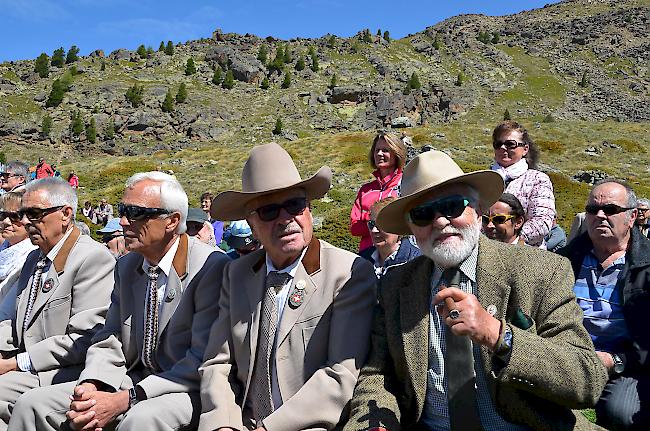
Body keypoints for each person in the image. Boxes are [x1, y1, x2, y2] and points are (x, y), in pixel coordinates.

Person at [345, 150, 607, 431]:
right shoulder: (396, 286)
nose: (440, 221)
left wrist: (498, 335)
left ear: (479, 209)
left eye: (453, 206)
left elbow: (586, 378)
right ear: (410, 227)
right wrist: (375, 425)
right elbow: (378, 375)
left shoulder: (542, 270)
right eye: (422, 214)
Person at [9, 171, 229, 431]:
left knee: (140, 420)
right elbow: (109, 336)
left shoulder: (209, 267)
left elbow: (201, 360)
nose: (123, 221)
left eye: (135, 213)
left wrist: (127, 398)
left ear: (172, 221)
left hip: (183, 386)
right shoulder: (128, 266)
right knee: (34, 405)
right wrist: (93, 383)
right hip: (132, 379)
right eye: (123, 209)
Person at [199, 143, 376, 431]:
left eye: (295, 204)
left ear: (308, 209)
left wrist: (269, 428)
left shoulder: (347, 274)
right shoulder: (237, 274)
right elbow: (218, 363)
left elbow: (340, 374)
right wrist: (223, 423)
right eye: (269, 211)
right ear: (252, 225)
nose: (285, 218)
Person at [0, 178, 115, 428]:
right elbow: (16, 319)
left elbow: (85, 338)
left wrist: (16, 363)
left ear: (65, 214)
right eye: (22, 214)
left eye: (34, 213)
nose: (26, 221)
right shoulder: (34, 258)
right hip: (30, 366)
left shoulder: (92, 258)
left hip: (63, 370)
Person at [559, 179, 650, 430]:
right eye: (592, 210)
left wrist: (616, 360)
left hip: (627, 365)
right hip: (568, 356)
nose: (599, 215)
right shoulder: (564, 261)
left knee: (621, 413)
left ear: (631, 218)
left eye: (610, 210)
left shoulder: (646, 265)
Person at [490, 120, 556, 247]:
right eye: (498, 144)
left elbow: (543, 221)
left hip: (527, 254)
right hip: (485, 252)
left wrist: (512, 239)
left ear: (525, 149)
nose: (503, 148)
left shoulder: (538, 179)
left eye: (510, 144)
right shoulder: (485, 179)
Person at [350, 132, 406, 259]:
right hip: (368, 255)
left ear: (396, 153)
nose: (379, 154)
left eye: (385, 150)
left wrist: (368, 219)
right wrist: (375, 217)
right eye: (377, 150)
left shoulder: (406, 184)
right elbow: (354, 228)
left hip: (400, 255)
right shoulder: (365, 190)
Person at [367, 197, 421, 278]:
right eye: (371, 224)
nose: (374, 230)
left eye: (381, 225)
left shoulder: (417, 261)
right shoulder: (362, 259)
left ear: (399, 227)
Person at [0, 192, 37, 305]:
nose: (6, 222)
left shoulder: (31, 258)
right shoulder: (4, 250)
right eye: (2, 215)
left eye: (14, 217)